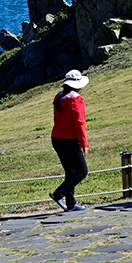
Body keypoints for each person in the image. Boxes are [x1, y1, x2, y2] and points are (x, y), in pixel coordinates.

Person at [49, 69, 90, 212]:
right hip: (69, 140)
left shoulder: (59, 96)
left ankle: (71, 203)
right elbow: (79, 122)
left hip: (57, 138)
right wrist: (84, 143)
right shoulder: (75, 99)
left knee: (71, 171)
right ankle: (58, 194)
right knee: (82, 171)